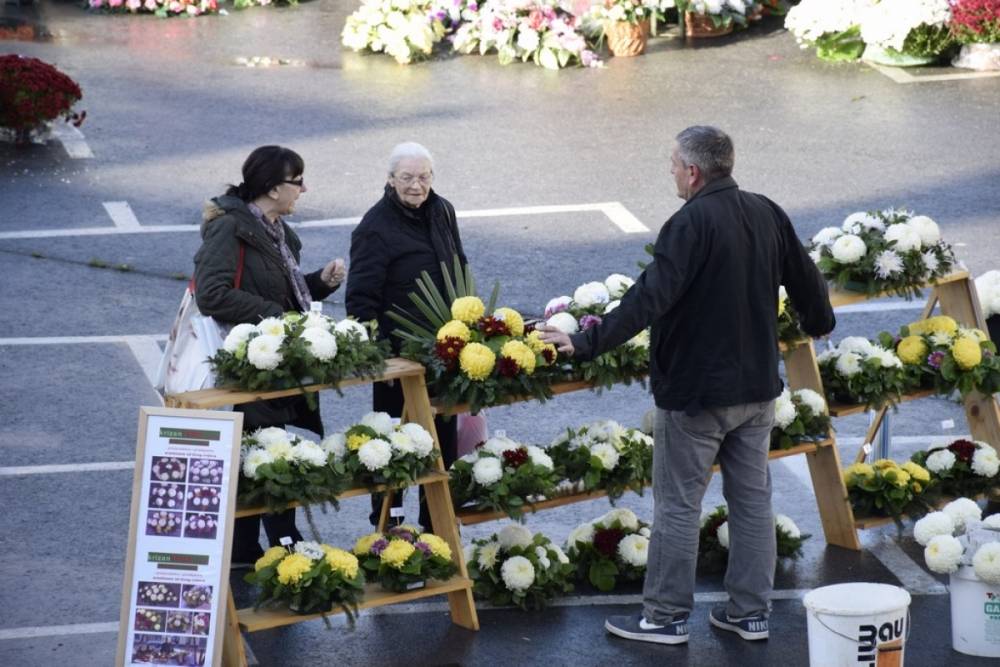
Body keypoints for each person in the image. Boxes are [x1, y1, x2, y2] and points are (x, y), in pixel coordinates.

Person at [540, 126, 835, 645]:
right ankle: (750, 614)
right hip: (758, 391)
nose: (671, 171)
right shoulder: (766, 210)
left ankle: (666, 617)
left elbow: (648, 298)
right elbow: (805, 276)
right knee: (752, 502)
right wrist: (819, 321)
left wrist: (586, 343)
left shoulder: (689, 222)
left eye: (673, 164)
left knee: (678, 506)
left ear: (694, 171)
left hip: (697, 396)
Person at [193, 145, 346, 566]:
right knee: (268, 454)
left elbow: (283, 290)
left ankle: (248, 550)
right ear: (273, 187)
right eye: (297, 181)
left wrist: (319, 283)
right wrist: (275, 316)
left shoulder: (275, 228)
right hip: (245, 365)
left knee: (260, 453)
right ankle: (285, 543)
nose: (304, 189)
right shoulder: (230, 228)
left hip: (272, 362)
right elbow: (211, 294)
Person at [346, 141, 467, 531]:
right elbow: (361, 299)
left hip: (442, 351)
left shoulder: (442, 210)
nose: (416, 186)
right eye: (407, 178)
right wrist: (378, 357)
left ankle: (436, 528)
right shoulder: (374, 228)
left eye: (424, 177)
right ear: (390, 179)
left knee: (441, 444)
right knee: (393, 446)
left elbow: (458, 263)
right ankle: (389, 529)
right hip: (399, 357)